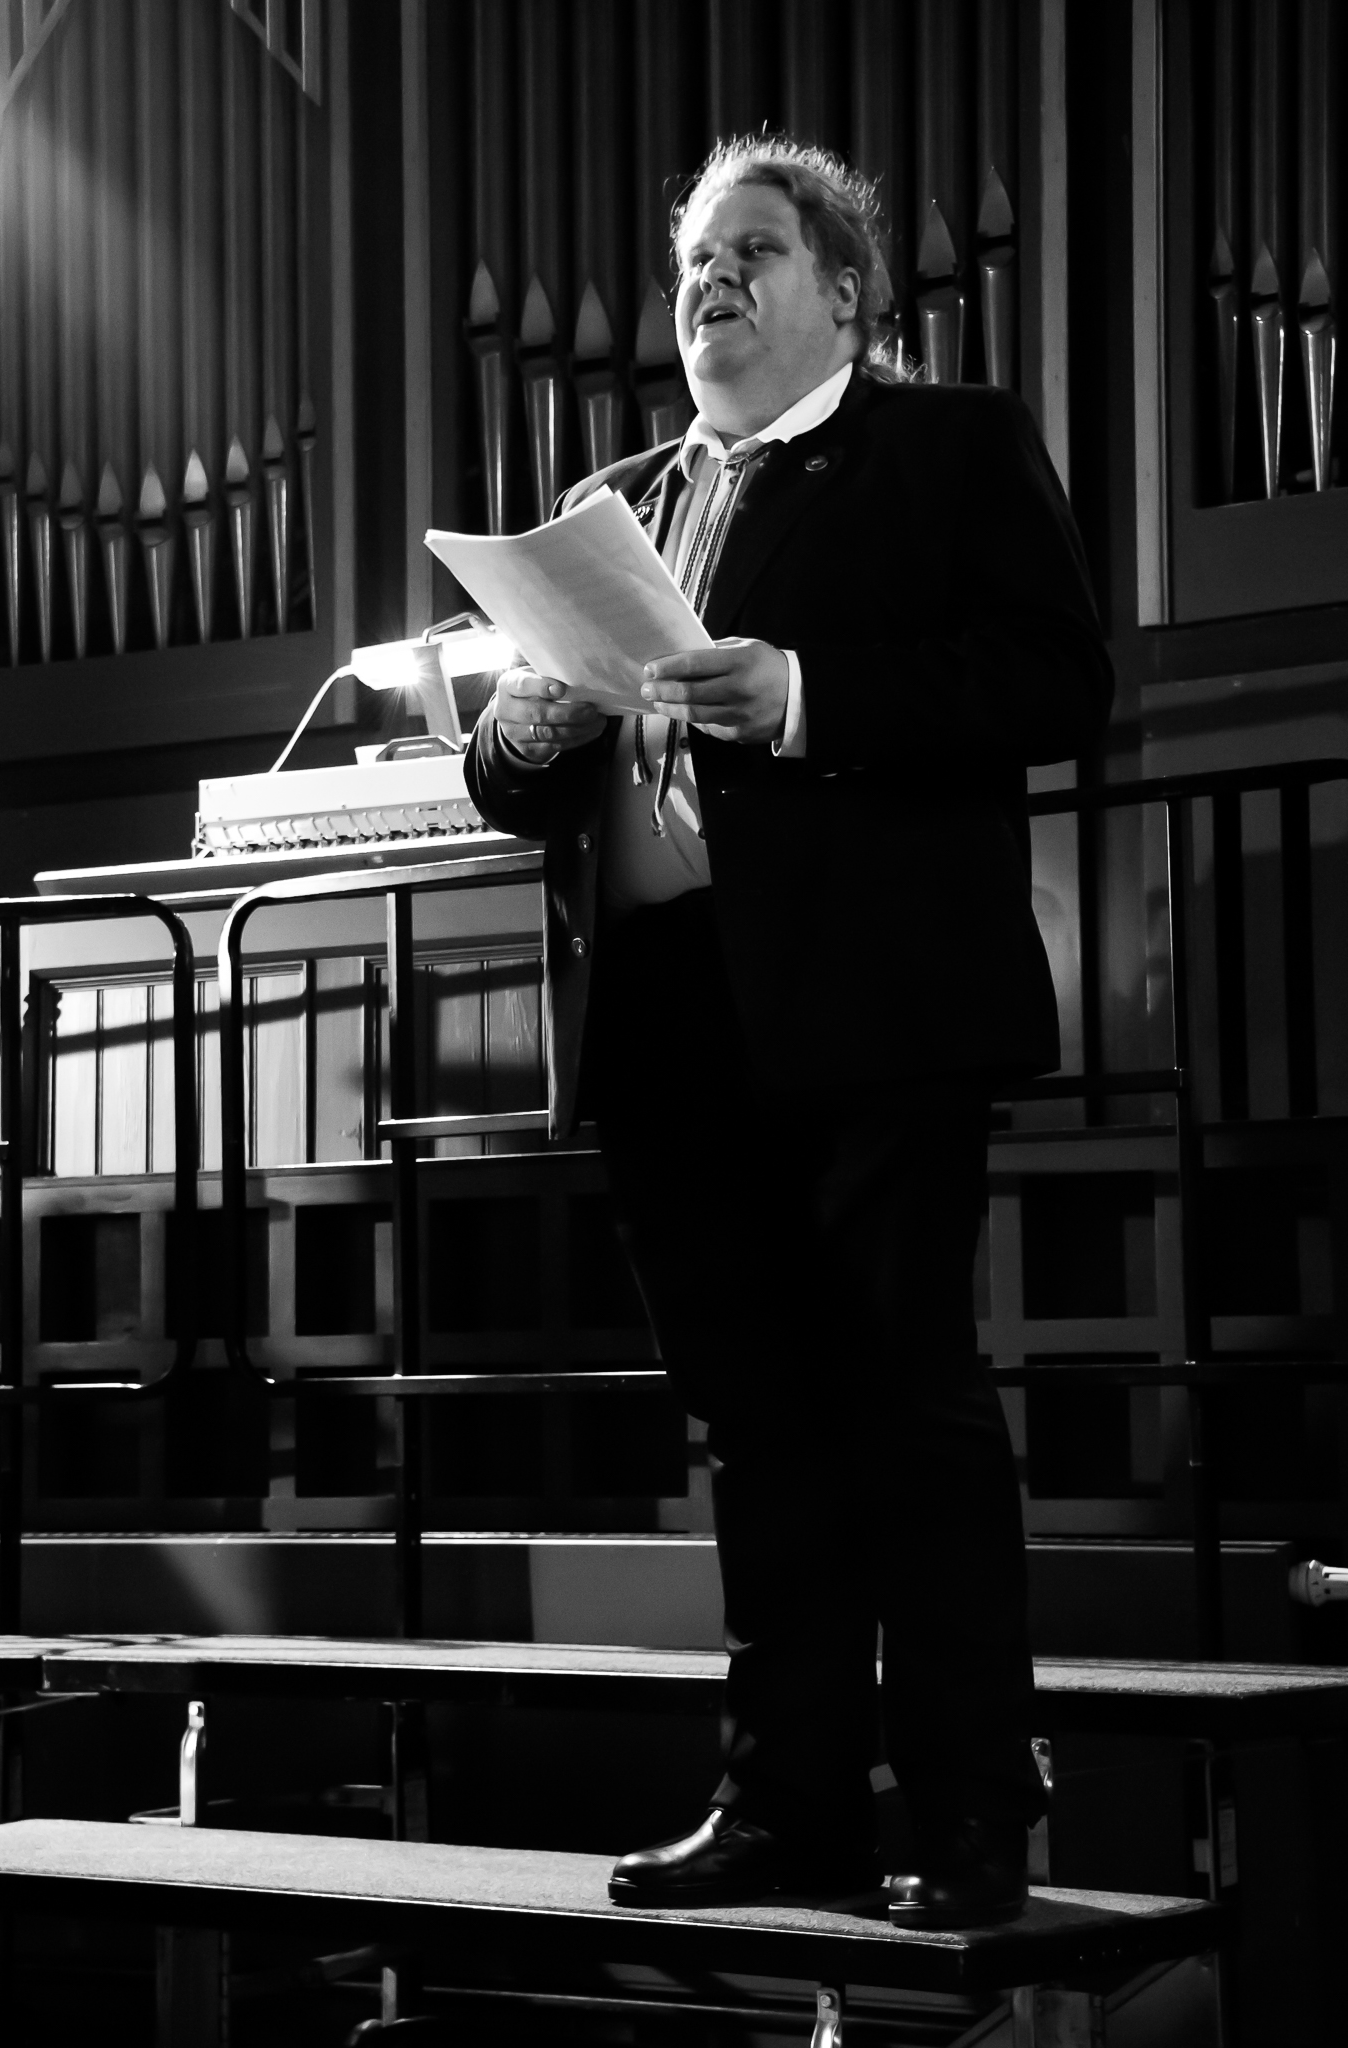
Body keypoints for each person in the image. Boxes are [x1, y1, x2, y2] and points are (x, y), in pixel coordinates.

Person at [464, 137, 1112, 1926]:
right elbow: (514, 784)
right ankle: (786, 1806)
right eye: (693, 260)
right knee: (758, 1427)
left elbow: (1058, 679)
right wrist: (519, 727)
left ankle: (978, 1814)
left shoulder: (940, 447)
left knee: (903, 1407)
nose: (712, 280)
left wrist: (806, 692)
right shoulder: (618, 495)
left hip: (869, 996)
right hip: (667, 1014)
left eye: (755, 249)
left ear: (844, 290)